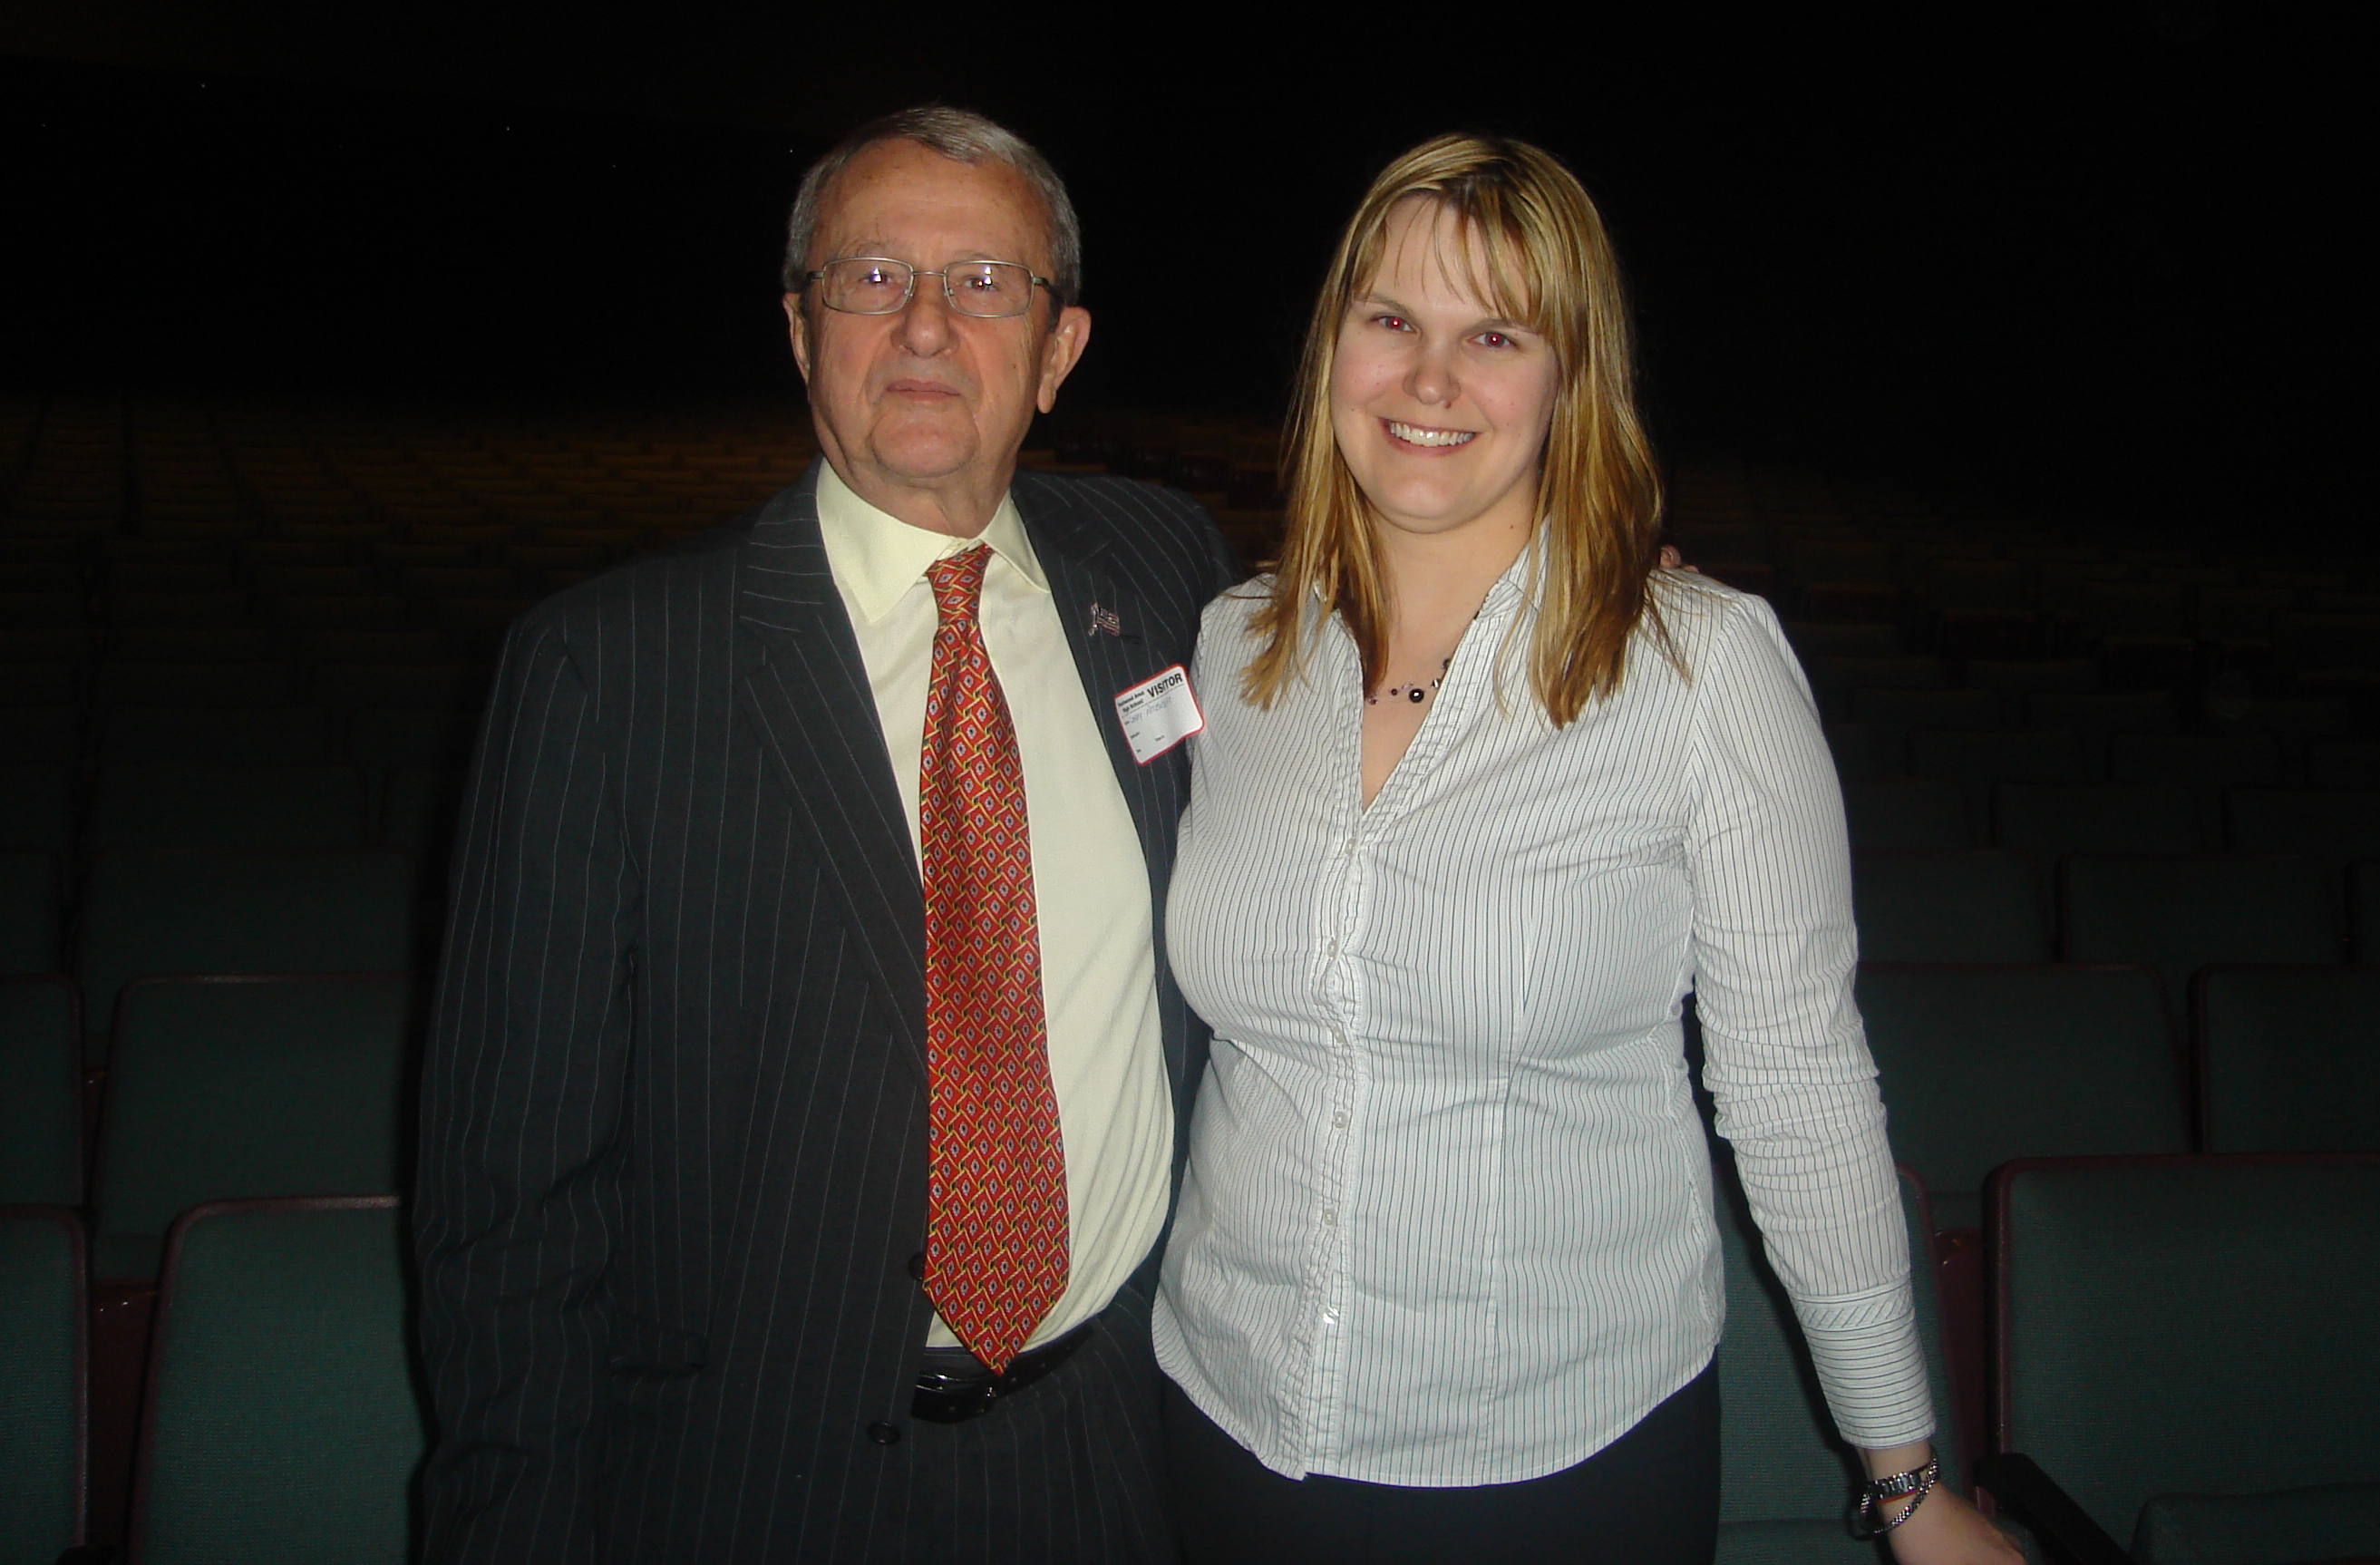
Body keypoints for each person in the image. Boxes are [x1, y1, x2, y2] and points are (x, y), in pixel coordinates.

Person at [1152, 133, 2021, 1563]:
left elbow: (1799, 1087)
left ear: (1571, 377)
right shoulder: (1236, 646)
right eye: (1392, 320)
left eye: (1495, 335)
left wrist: (1908, 1480)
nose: (1431, 379)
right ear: (1333, 352)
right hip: (1222, 1418)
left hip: (1556, 1459)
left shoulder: (1700, 668)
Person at [413, 106, 1237, 1563]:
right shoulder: (609, 671)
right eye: (870, 277)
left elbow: (1384, 640)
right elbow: (511, 1206)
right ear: (802, 332)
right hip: (759, 1479)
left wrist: (1597, 579)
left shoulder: (1166, 568)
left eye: (984, 281)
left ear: (1059, 351)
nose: (924, 324)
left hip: (1115, 1445)